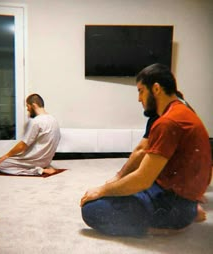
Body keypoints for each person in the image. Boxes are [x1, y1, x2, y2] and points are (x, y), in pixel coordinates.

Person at [80, 63, 212, 237]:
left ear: (156, 89)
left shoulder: (168, 122)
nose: (139, 98)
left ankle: (161, 228)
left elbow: (142, 180)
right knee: (117, 193)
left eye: (141, 91)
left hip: (174, 205)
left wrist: (102, 190)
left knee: (92, 209)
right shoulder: (182, 110)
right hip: (181, 197)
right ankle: (187, 214)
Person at [0, 93, 61, 176]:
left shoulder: (36, 121)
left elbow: (23, 145)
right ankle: (44, 167)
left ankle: (38, 171)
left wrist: (7, 155)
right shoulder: (53, 119)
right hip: (47, 161)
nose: (27, 109)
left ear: (33, 105)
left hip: (37, 160)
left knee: (2, 165)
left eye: (28, 106)